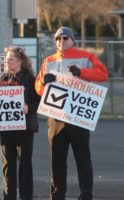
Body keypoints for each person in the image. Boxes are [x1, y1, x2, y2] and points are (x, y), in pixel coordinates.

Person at [35, 27, 108, 200]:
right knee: (57, 160)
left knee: (82, 158)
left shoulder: (86, 57)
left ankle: (86, 195)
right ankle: (57, 195)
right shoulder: (49, 60)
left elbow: (103, 74)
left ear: (73, 40)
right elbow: (38, 88)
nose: (61, 41)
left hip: (78, 116)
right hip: (56, 117)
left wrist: (82, 72)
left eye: (65, 38)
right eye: (58, 39)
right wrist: (44, 83)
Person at [0, 46, 40, 200]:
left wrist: (29, 108)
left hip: (25, 128)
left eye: (10, 59)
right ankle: (9, 197)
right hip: (6, 129)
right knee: (8, 166)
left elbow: (39, 101)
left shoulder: (29, 78)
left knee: (25, 166)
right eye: (6, 59)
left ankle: (26, 197)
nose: (7, 62)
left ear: (20, 60)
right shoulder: (3, 79)